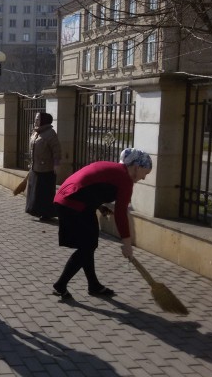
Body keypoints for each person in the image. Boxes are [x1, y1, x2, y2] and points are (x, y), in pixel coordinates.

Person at [51, 148, 152, 300]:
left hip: (70, 200)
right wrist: (127, 243)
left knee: (89, 245)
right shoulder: (125, 179)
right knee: (87, 247)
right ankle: (60, 285)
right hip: (73, 203)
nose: (144, 178)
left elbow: (90, 184)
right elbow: (121, 214)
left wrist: (99, 206)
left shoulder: (115, 170)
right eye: (145, 173)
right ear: (137, 167)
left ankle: (93, 285)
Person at [26, 112, 61, 221]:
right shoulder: (36, 132)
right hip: (35, 167)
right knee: (34, 191)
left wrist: (56, 164)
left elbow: (56, 150)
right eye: (35, 119)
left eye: (38, 119)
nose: (35, 121)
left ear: (44, 120)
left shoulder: (50, 133)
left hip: (46, 169)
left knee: (44, 193)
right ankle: (34, 210)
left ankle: (46, 213)